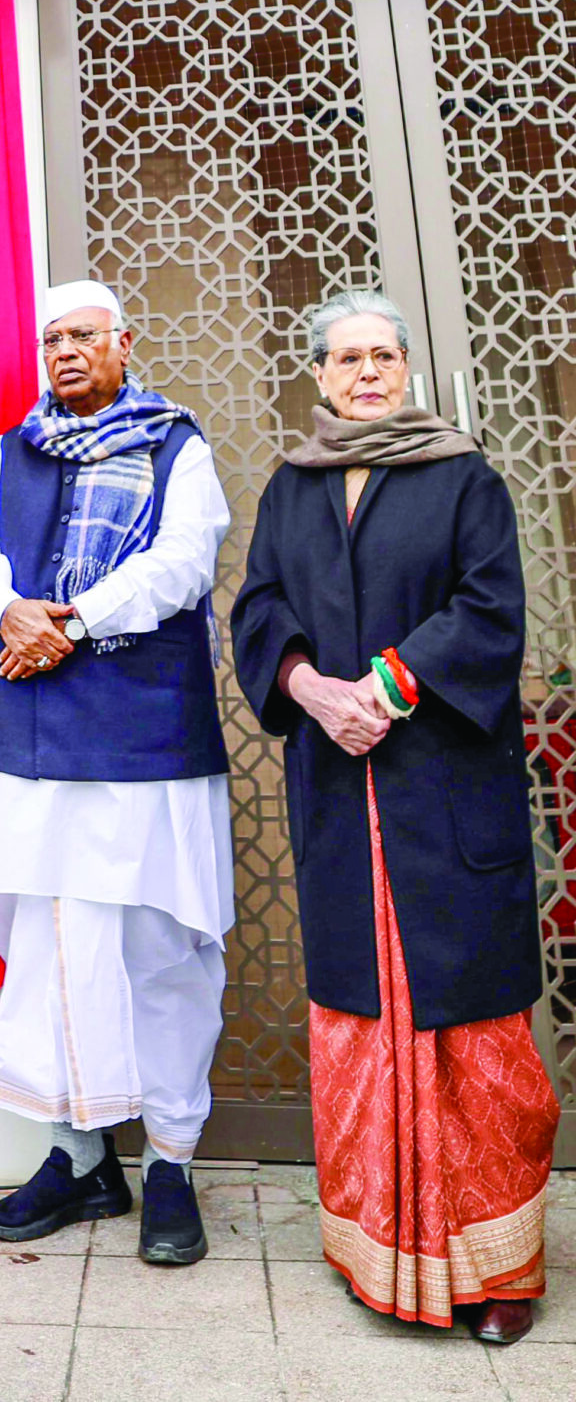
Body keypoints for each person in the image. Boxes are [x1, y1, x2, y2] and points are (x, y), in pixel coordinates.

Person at [231, 289, 557, 1343]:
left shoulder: (463, 476)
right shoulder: (291, 486)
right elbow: (261, 605)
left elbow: (489, 608)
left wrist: (387, 684)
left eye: (382, 355)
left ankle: (501, 1274)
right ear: (318, 375)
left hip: (443, 791)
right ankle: (376, 1250)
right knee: (360, 1024)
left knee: (473, 1030)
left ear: (407, 368)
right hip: (340, 795)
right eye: (346, 358)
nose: (365, 372)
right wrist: (311, 687)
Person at [0, 280, 233, 1265]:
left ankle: (168, 1165)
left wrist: (70, 622)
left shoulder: (173, 444)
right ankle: (78, 1159)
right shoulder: (9, 452)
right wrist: (10, 610)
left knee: (158, 946)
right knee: (45, 941)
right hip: (26, 733)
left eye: (83, 335)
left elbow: (183, 560)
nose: (64, 351)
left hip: (143, 735)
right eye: (51, 338)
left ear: (123, 341)